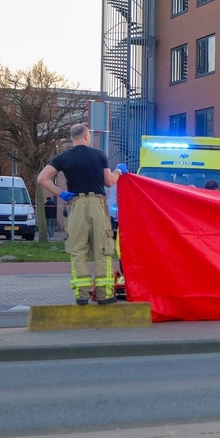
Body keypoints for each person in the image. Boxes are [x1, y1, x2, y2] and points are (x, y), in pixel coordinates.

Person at [36, 124, 125, 305]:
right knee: (103, 250)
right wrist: (119, 171)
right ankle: (105, 295)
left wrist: (61, 193)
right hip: (97, 205)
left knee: (78, 251)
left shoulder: (63, 158)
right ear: (86, 136)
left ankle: (82, 295)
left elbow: (41, 179)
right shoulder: (99, 154)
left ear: (71, 138)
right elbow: (109, 182)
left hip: (75, 205)